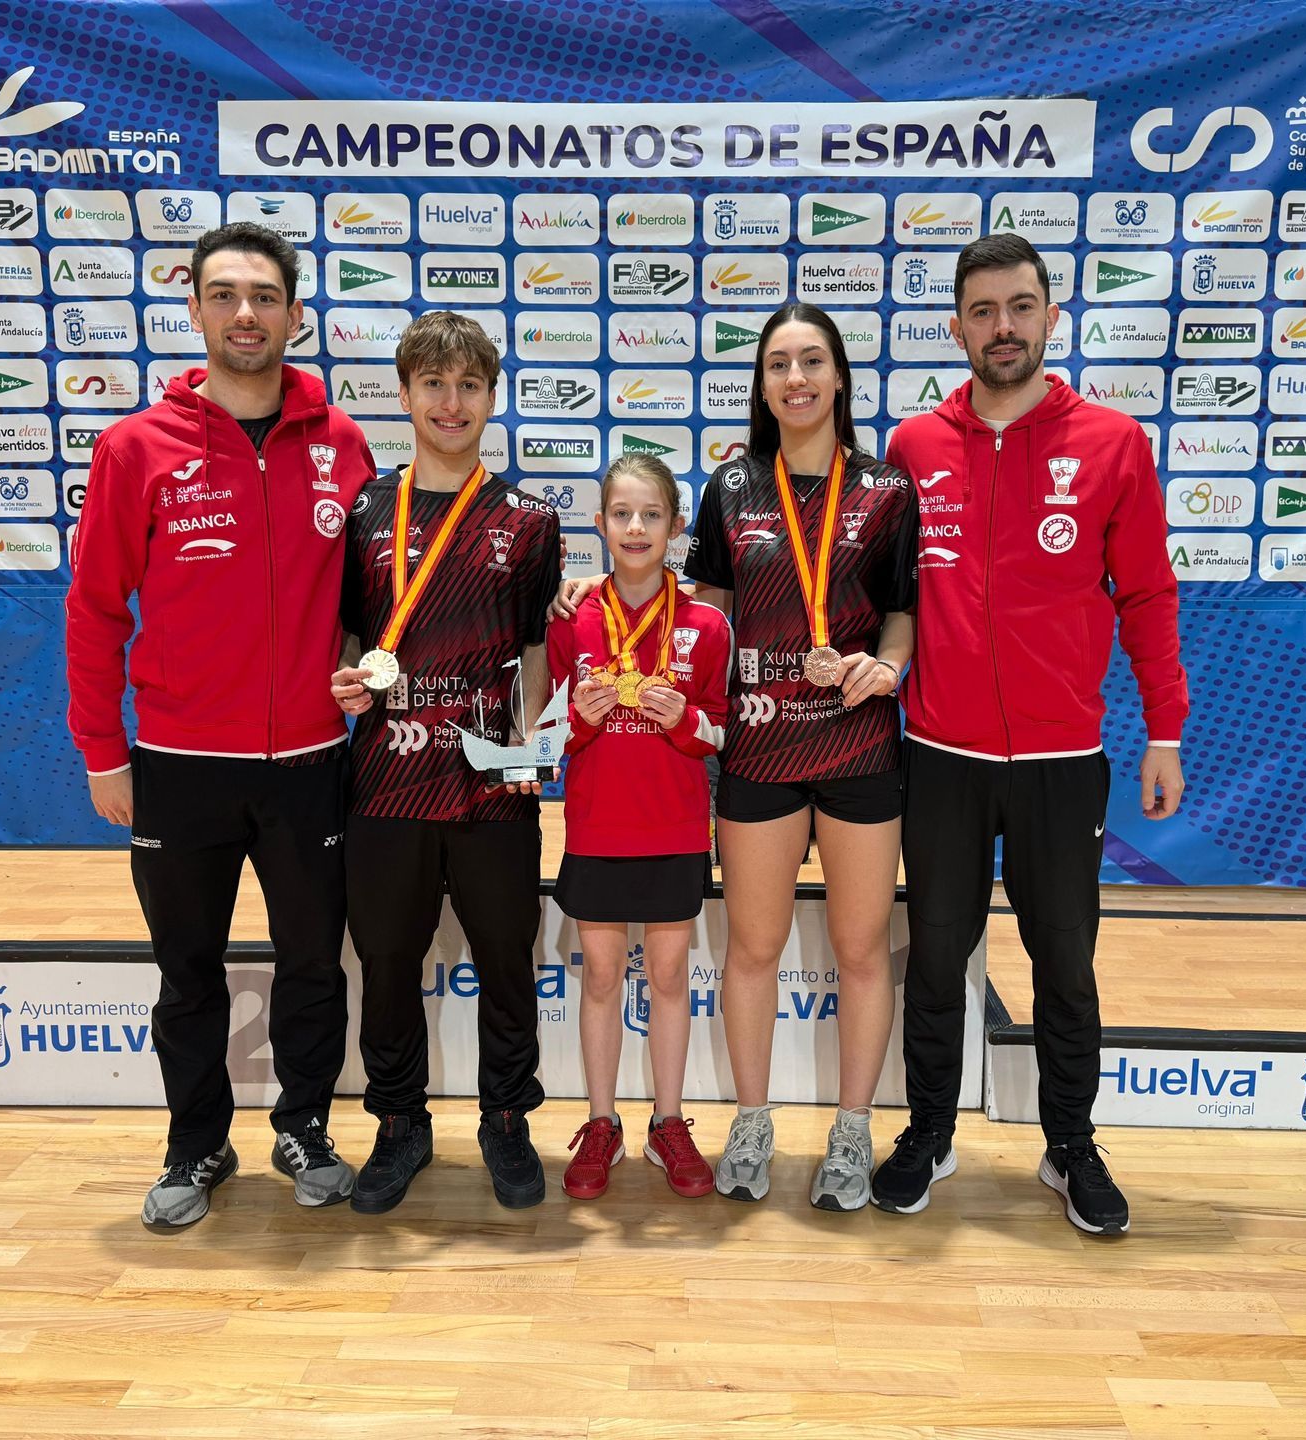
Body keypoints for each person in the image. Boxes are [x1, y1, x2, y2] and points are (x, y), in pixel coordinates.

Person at [65, 221, 376, 1232]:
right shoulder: (135, 448)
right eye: (226, 295)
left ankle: (305, 1126)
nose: (247, 314)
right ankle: (196, 1141)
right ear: (196, 309)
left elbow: (373, 596)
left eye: (265, 296)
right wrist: (102, 753)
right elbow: (95, 611)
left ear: (294, 313)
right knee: (187, 971)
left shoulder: (341, 443)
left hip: (310, 765)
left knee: (313, 966)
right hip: (178, 764)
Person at [875, 232, 1188, 1232]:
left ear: (1051, 317)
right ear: (957, 327)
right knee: (935, 958)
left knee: (1065, 961)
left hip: (1062, 759)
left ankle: (1070, 1145)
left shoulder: (1112, 443)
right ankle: (928, 1132)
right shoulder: (913, 448)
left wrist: (1167, 731)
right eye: (982, 311)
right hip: (941, 755)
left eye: (1019, 307)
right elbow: (884, 597)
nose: (1001, 327)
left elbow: (1147, 595)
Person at [685, 302, 917, 1211]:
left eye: (812, 360)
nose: (796, 379)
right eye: (778, 364)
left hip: (858, 744)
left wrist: (887, 666)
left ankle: (853, 1130)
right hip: (760, 747)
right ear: (762, 385)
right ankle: (751, 1121)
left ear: (840, 377)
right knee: (753, 948)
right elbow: (704, 614)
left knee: (861, 950)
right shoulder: (732, 487)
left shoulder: (886, 490)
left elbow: (900, 613)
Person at [330, 310, 562, 1213]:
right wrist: (343, 682)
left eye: (468, 385)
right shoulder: (365, 512)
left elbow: (537, 648)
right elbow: (351, 636)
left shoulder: (529, 520)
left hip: (491, 783)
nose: (451, 402)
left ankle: (506, 1117)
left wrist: (530, 747)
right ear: (404, 394)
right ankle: (399, 1123)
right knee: (388, 961)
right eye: (433, 384)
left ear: (491, 397)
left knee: (506, 958)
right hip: (387, 778)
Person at [547, 454, 731, 1200]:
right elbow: (546, 736)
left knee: (668, 977)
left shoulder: (706, 624)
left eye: (651, 514)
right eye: (621, 514)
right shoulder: (573, 619)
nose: (635, 527)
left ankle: (668, 1120)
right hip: (597, 827)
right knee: (599, 976)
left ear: (676, 527)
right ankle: (601, 1122)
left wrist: (685, 719)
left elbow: (723, 734)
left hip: (675, 829)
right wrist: (578, 722)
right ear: (598, 524)